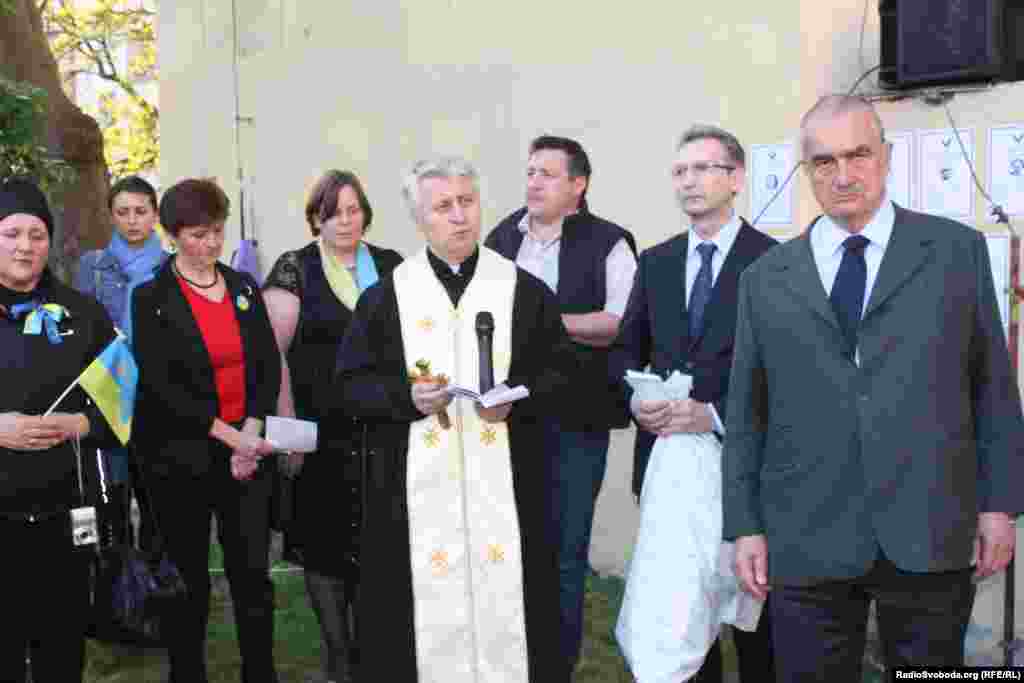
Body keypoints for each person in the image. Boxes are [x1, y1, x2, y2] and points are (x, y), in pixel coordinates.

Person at [724, 95, 1024, 681]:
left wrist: (999, 506)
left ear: (885, 156)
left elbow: (992, 387)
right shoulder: (765, 280)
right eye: (825, 161)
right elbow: (746, 413)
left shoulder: (953, 253)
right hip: (806, 531)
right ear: (806, 170)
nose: (844, 175)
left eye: (859, 154)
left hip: (930, 523)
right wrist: (745, 525)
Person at [334, 156, 573, 682]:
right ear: (420, 218)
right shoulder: (386, 299)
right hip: (414, 494)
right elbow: (350, 387)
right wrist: (405, 398)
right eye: (444, 206)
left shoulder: (522, 292)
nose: (460, 216)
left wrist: (519, 398)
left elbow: (562, 373)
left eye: (467, 201)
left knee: (517, 605)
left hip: (510, 490)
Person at [613, 124, 776, 682]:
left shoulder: (773, 262)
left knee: (755, 625)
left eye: (704, 168)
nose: (689, 181)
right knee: (681, 614)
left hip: (747, 478)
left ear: (735, 179)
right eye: (680, 171)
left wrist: (714, 416)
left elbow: (787, 378)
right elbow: (623, 353)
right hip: (667, 472)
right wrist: (638, 403)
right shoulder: (655, 261)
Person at [485, 135, 637, 673]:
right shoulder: (502, 239)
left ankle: (556, 666)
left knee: (565, 552)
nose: (533, 182)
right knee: (512, 548)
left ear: (579, 185)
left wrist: (546, 325)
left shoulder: (610, 242)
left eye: (547, 174)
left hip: (578, 420)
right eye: (530, 172)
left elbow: (618, 322)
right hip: (507, 422)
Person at [131, 178, 281, 683]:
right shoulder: (151, 297)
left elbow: (266, 364)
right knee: (188, 582)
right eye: (198, 234)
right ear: (172, 236)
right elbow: (162, 386)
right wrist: (230, 436)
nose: (211, 244)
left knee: (253, 578)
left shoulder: (242, 287)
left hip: (247, 451)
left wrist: (253, 429)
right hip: (183, 457)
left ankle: (260, 672)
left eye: (217, 231)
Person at [263, 170, 402, 683]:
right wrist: (288, 428)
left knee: (376, 543)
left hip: (380, 433)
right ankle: (338, 655)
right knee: (321, 545)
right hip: (318, 437)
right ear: (316, 218)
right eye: (333, 211)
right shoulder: (294, 268)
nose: (345, 220)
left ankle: (370, 654)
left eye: (353, 209)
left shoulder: (390, 266)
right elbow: (272, 353)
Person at [0, 178, 120, 682]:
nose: (25, 246)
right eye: (11, 233)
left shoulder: (85, 315)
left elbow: (125, 404)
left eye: (36, 234)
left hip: (64, 519)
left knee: (61, 657)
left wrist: (81, 422)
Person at [76, 175, 168, 548]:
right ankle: (117, 582)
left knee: (157, 501)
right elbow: (80, 330)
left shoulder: (169, 267)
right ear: (111, 216)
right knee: (111, 497)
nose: (132, 220)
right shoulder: (93, 266)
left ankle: (160, 585)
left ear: (155, 215)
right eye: (123, 212)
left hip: (157, 393)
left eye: (140, 211)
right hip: (109, 392)